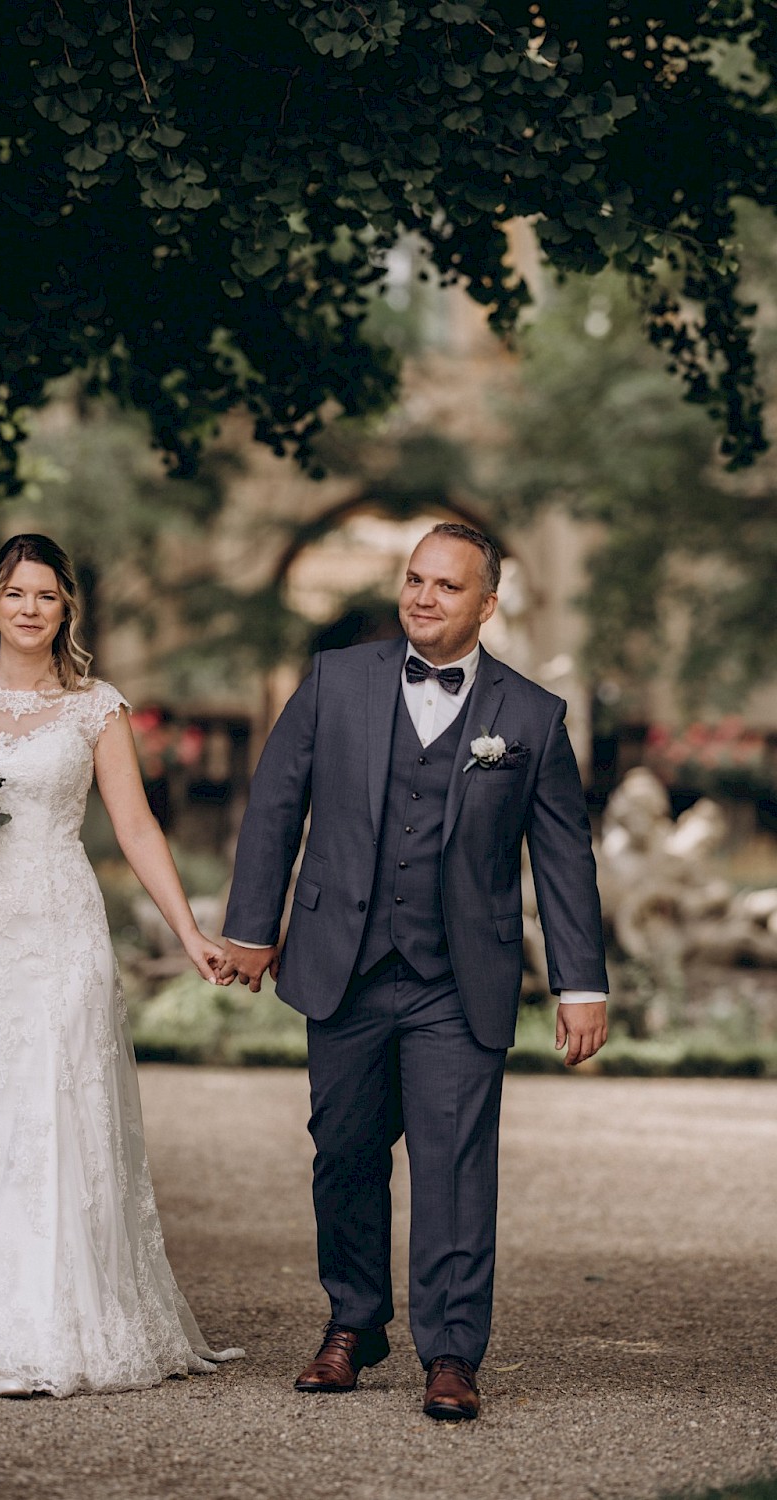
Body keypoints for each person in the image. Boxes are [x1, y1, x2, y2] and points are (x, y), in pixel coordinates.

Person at [218, 522, 607, 1422]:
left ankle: (452, 1352)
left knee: (455, 1167)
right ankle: (353, 1324)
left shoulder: (530, 717)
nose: (423, 597)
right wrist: (250, 926)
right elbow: (276, 803)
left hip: (456, 977)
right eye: (414, 580)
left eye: (446, 586)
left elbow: (564, 858)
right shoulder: (335, 681)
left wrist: (579, 984)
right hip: (342, 967)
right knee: (344, 1153)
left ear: (487, 603)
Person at [0, 533, 241, 1398]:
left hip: (61, 930)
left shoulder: (95, 707)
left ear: (68, 609)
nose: (30, 609)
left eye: (48, 596)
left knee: (56, 1116)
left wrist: (188, 931)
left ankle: (53, 1328)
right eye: (16, 593)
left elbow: (135, 827)